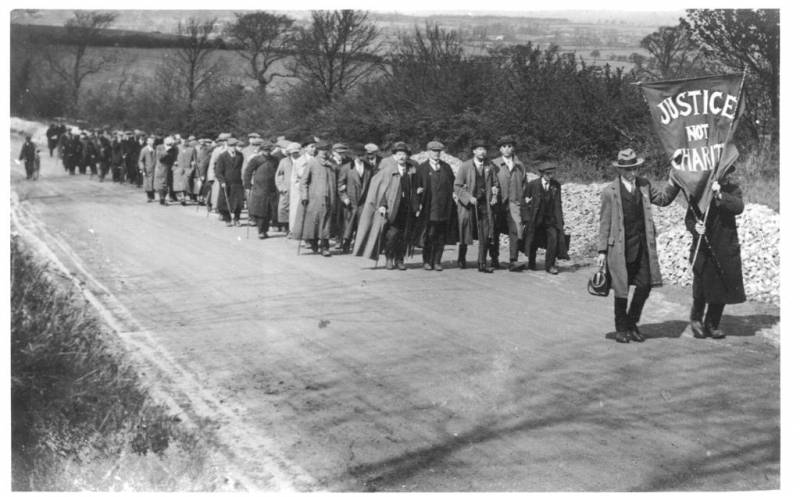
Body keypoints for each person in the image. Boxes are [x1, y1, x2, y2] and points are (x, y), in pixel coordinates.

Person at [596, 148, 679, 344]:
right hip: (619, 248)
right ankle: (621, 329)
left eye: (634, 169)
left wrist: (675, 180)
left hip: (642, 247)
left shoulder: (644, 185)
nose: (632, 173)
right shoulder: (610, 192)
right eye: (627, 170)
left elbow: (663, 200)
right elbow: (604, 222)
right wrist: (601, 251)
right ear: (620, 170)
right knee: (621, 288)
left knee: (645, 286)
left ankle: (632, 323)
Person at [686, 169, 746, 339]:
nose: (724, 175)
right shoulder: (699, 191)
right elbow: (689, 218)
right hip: (703, 245)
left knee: (721, 285)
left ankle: (712, 324)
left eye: (726, 172)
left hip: (725, 247)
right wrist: (695, 228)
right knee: (701, 285)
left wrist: (719, 194)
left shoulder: (732, 189)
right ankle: (696, 320)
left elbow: (738, 207)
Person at [353, 141, 422, 270]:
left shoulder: (412, 170)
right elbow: (380, 190)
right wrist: (382, 204)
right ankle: (389, 258)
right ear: (394, 156)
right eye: (399, 154)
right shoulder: (388, 171)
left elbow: (417, 189)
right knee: (392, 235)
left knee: (404, 235)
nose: (402, 157)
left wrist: (417, 205)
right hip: (392, 208)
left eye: (404, 154)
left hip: (407, 209)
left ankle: (400, 259)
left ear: (407, 156)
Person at [454, 139, 499, 273]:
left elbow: (495, 184)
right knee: (465, 231)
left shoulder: (489, 166)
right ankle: (462, 258)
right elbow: (457, 186)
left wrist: (495, 195)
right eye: (479, 149)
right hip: (469, 206)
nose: (482, 152)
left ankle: (482, 263)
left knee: (485, 233)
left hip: (485, 205)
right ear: (474, 151)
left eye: (484, 149)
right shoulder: (465, 166)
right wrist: (468, 197)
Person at [416, 140, 457, 271]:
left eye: (438, 151)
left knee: (441, 236)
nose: (436, 154)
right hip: (429, 208)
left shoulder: (446, 167)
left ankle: (437, 261)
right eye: (434, 151)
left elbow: (452, 185)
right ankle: (427, 261)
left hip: (444, 208)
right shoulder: (422, 168)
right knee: (429, 234)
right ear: (428, 152)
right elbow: (417, 187)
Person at [522, 160, 568, 274]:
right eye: (548, 174)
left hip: (550, 219)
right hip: (535, 218)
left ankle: (550, 265)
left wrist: (560, 221)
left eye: (552, 173)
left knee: (553, 239)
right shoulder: (533, 185)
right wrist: (526, 218)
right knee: (533, 240)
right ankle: (531, 262)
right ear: (542, 174)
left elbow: (558, 203)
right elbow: (524, 202)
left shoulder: (556, 185)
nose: (550, 176)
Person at [295, 141, 338, 256]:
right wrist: (304, 195)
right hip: (315, 198)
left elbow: (337, 177)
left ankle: (325, 246)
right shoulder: (312, 163)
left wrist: (333, 164)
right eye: (322, 150)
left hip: (330, 197)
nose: (324, 152)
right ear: (318, 150)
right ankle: (314, 243)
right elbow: (304, 181)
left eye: (326, 150)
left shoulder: (332, 163)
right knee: (314, 222)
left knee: (327, 222)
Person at [492, 135, 527, 271]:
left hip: (514, 204)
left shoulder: (519, 165)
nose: (507, 149)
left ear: (513, 148)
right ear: (500, 149)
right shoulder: (494, 164)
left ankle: (513, 260)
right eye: (504, 146)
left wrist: (522, 200)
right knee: (494, 231)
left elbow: (524, 184)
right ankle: (494, 258)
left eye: (510, 146)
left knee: (515, 230)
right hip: (497, 204)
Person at [337, 143, 375, 254]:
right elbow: (340, 185)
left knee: (361, 224)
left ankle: (358, 246)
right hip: (351, 201)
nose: (360, 157)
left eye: (362, 155)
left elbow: (371, 185)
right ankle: (345, 244)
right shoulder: (346, 168)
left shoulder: (369, 168)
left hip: (363, 201)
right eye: (357, 155)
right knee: (348, 224)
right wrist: (344, 198)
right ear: (354, 156)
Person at [243, 142, 279, 239]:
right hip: (259, 188)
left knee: (269, 210)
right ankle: (261, 230)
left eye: (268, 150)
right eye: (265, 150)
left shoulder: (275, 160)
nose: (267, 152)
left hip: (272, 188)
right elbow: (248, 172)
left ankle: (265, 229)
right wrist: (247, 185)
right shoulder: (255, 160)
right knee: (261, 209)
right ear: (261, 150)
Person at [215, 137, 246, 226]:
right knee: (224, 202)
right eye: (231, 146)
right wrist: (222, 181)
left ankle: (237, 219)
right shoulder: (222, 156)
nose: (233, 147)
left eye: (234, 146)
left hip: (237, 182)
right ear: (227, 146)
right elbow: (218, 171)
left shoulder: (240, 155)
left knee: (238, 202)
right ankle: (227, 219)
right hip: (226, 183)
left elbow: (241, 168)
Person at [155, 136, 178, 206]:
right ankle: (162, 198)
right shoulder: (159, 147)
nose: (171, 145)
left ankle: (163, 198)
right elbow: (159, 157)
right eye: (170, 144)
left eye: (172, 144)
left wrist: (175, 163)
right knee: (161, 183)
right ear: (166, 143)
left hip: (169, 167)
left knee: (167, 183)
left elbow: (174, 157)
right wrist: (166, 151)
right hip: (161, 167)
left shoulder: (174, 149)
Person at [173, 136, 197, 206]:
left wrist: (192, 168)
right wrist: (174, 166)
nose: (185, 143)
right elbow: (173, 158)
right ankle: (181, 198)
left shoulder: (192, 149)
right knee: (178, 184)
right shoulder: (177, 148)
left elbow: (194, 160)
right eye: (183, 141)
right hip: (178, 168)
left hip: (187, 169)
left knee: (185, 184)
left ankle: (184, 197)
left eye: (186, 141)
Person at [138, 135, 157, 202]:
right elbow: (140, 160)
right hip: (147, 169)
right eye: (150, 141)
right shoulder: (144, 150)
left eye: (153, 141)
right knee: (147, 183)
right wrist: (142, 168)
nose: (152, 142)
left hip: (154, 169)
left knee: (153, 182)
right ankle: (149, 196)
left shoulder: (155, 149)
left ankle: (152, 194)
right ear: (147, 142)